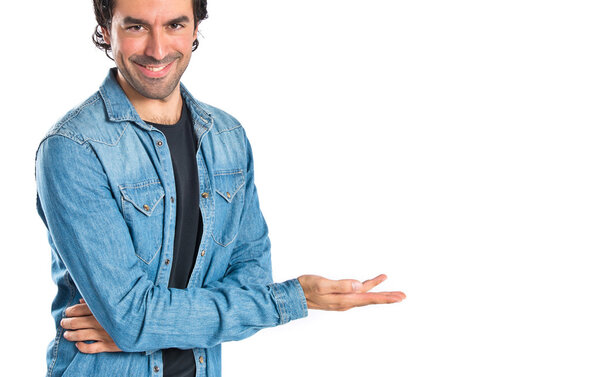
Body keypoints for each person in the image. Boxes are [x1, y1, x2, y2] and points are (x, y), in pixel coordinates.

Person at [34, 0, 406, 376]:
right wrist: (137, 326)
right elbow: (131, 318)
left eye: (175, 25)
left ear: (196, 28)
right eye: (136, 28)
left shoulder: (226, 138)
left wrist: (149, 329)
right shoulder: (74, 148)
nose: (158, 50)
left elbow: (251, 279)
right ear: (104, 30)